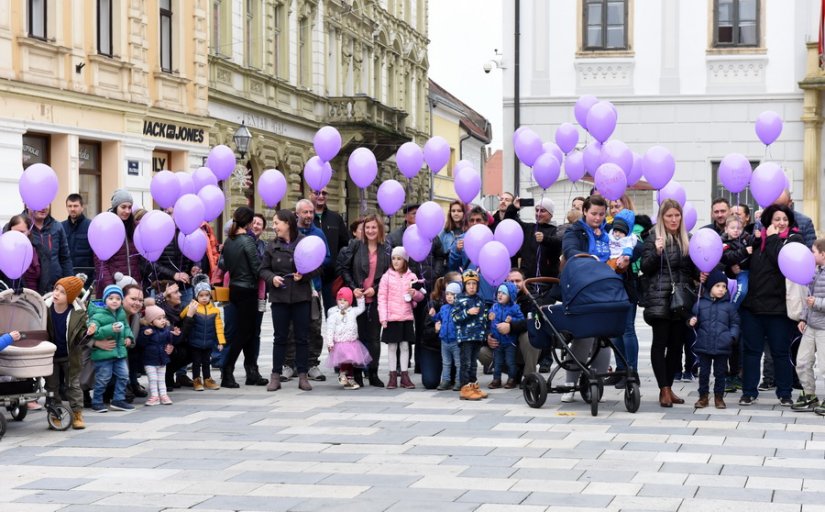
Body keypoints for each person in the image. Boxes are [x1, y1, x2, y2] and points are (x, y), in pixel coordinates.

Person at [739, 204, 802, 406]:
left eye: (784, 219)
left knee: (780, 353)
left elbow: (780, 262)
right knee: (751, 352)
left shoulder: (793, 241)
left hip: (778, 309)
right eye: (777, 219)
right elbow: (744, 264)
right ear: (768, 221)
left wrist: (773, 237)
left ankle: (784, 393)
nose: (781, 223)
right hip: (753, 308)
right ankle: (749, 392)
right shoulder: (758, 241)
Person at [640, 199, 700, 408]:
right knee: (660, 343)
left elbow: (691, 270)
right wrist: (656, 253)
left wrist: (702, 273)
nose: (674, 219)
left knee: (676, 346)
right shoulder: (652, 238)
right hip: (660, 298)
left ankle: (669, 388)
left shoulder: (687, 239)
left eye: (677, 215)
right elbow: (645, 268)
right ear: (661, 218)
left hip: (681, 300)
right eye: (669, 216)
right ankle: (663, 389)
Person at [560, 195, 620, 401]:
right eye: (594, 213)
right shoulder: (575, 231)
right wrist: (587, 258)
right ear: (585, 211)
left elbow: (624, 246)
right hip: (582, 287)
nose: (597, 218)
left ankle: (596, 381)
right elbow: (570, 250)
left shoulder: (609, 232)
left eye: (602, 214)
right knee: (583, 336)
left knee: (604, 336)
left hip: (605, 287)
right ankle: (571, 382)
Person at [260, 209, 321, 391]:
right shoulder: (272, 245)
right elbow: (263, 270)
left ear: (287, 223)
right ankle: (275, 375)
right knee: (280, 338)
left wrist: (303, 276)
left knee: (302, 337)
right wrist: (272, 279)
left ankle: (302, 375)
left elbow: (318, 268)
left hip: (301, 297)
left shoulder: (305, 243)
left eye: (277, 222)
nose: (274, 226)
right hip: (280, 298)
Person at [337, 214, 392, 387]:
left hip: (377, 298)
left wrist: (374, 289)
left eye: (374, 227)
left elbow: (388, 274)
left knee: (375, 338)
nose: (370, 231)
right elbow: (344, 268)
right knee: (357, 337)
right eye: (367, 227)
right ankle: (358, 373)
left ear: (380, 229)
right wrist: (353, 288)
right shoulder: (355, 245)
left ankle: (373, 372)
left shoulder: (387, 247)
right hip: (357, 298)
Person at [285, 199, 331, 382]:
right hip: (292, 288)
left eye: (311, 212)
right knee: (290, 327)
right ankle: (289, 364)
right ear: (297, 214)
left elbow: (327, 258)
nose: (309, 216)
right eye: (305, 212)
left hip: (313, 289)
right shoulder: (291, 233)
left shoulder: (318, 233)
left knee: (314, 326)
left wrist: (313, 263)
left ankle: (312, 363)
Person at [218, 207, 261, 389]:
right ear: (250, 222)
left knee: (245, 332)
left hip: (234, 288)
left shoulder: (229, 241)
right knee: (244, 333)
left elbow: (225, 265)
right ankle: (227, 370)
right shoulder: (247, 241)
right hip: (247, 290)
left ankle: (251, 373)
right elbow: (256, 267)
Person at [44, 276, 92, 429]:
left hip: (70, 356)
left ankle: (77, 413)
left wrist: (88, 334)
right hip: (51, 356)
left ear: (70, 297)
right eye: (56, 289)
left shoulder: (78, 313)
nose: (56, 294)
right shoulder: (45, 308)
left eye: (62, 292)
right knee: (52, 386)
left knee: (73, 385)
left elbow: (80, 339)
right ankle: (55, 412)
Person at [689, 269, 739, 409]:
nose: (721, 289)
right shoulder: (700, 303)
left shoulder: (729, 306)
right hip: (704, 345)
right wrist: (691, 321)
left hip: (722, 345)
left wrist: (732, 336)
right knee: (704, 373)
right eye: (718, 286)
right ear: (710, 287)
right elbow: (694, 318)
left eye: (724, 286)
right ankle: (703, 397)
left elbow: (735, 323)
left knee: (720, 373)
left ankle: (719, 397)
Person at [377, 246, 424, 389]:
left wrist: (414, 294)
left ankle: (404, 375)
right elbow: (382, 298)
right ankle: (392, 375)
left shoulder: (412, 276)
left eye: (399, 259)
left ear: (405, 260)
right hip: (391, 318)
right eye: (393, 258)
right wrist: (383, 317)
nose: (396, 261)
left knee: (404, 346)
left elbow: (420, 297)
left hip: (406, 317)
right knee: (392, 347)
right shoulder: (386, 277)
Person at [88, 284, 135, 412]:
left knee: (124, 375)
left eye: (118, 299)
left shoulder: (121, 313)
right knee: (103, 378)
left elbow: (126, 327)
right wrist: (110, 329)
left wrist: (129, 337)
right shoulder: (98, 315)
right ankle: (97, 401)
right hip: (104, 354)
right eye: (111, 298)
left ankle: (118, 400)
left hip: (119, 353)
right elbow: (94, 332)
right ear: (105, 300)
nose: (114, 301)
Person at [794, 238, 825, 413]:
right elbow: (808, 298)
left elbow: (814, 301)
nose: (810, 255)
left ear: (823, 254)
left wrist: (818, 303)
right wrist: (804, 318)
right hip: (812, 325)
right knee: (803, 362)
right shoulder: (815, 271)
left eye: (813, 251)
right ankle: (809, 395)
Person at [310, 187, 350, 312]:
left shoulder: (336, 218)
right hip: (310, 276)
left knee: (333, 313)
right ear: (310, 194)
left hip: (331, 276)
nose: (321, 196)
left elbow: (345, 244)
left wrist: (339, 267)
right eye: (317, 193)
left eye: (324, 193)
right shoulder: (305, 218)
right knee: (312, 315)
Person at [324, 287, 372, 390]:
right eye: (340, 300)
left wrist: (360, 298)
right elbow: (330, 329)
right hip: (340, 342)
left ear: (350, 301)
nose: (342, 302)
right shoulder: (333, 314)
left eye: (345, 300)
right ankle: (342, 373)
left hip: (352, 341)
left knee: (351, 361)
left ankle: (350, 379)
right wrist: (329, 343)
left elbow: (361, 308)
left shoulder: (352, 311)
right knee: (346, 360)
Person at [94, 189, 141, 292]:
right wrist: (111, 288)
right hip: (113, 287)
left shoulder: (136, 227)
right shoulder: (105, 227)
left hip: (134, 286)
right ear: (115, 207)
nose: (127, 211)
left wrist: (139, 285)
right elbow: (101, 264)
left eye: (129, 207)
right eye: (123, 207)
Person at [452, 270, 489, 401]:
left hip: (477, 336)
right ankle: (465, 388)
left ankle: (473, 385)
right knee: (466, 363)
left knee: (473, 363)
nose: (472, 286)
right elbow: (455, 317)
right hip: (465, 337)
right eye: (469, 284)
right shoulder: (460, 299)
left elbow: (483, 318)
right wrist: (467, 312)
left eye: (474, 284)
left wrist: (485, 329)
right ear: (464, 285)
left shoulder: (480, 299)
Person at [182, 281, 224, 391]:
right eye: (201, 295)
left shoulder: (215, 310)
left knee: (207, 362)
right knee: (196, 362)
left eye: (207, 295)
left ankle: (207, 379)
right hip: (195, 342)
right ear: (196, 296)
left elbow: (219, 327)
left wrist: (220, 341)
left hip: (209, 342)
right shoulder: (193, 307)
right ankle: (196, 379)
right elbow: (182, 316)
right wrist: (189, 309)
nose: (204, 298)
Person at [487, 281, 524, 389]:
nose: (500, 295)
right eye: (499, 292)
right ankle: (496, 379)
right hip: (497, 341)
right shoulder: (494, 307)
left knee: (510, 361)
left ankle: (512, 378)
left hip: (509, 341)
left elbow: (521, 319)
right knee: (497, 362)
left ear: (510, 296)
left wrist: (512, 320)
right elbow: (489, 319)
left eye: (503, 293)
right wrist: (489, 317)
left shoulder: (514, 307)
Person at [26, 204, 73, 291]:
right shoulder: (19, 226)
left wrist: (69, 284)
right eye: (40, 202)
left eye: (47, 203)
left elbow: (65, 258)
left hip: (54, 288)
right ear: (28, 204)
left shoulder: (57, 226)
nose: (44, 207)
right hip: (28, 289)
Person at [138, 305, 175, 406]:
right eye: (159, 319)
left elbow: (170, 341)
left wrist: (174, 335)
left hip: (162, 359)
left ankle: (163, 395)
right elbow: (141, 343)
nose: (163, 320)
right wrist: (145, 335)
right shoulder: (147, 330)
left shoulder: (166, 330)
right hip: (149, 360)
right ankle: (154, 396)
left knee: (162, 378)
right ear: (151, 321)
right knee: (153, 379)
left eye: (163, 318)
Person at [518, 198, 562, 280]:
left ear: (550, 214)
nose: (538, 214)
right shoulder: (529, 228)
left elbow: (559, 242)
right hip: (526, 279)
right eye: (537, 210)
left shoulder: (555, 230)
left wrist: (544, 239)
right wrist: (514, 208)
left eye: (542, 211)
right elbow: (512, 221)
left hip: (547, 281)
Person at [2, 215, 47, 293]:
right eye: (14, 232)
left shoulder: (39, 250)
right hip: (14, 300)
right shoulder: (4, 252)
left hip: (37, 298)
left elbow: (46, 277)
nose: (18, 235)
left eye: (22, 232)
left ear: (29, 231)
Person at [433, 282, 461, 391]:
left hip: (456, 341)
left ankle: (459, 381)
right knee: (446, 362)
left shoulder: (459, 308)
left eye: (452, 294)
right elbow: (438, 318)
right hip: (444, 340)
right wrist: (433, 316)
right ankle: (445, 380)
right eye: (448, 294)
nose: (449, 297)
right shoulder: (444, 308)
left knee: (458, 363)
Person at [721, 215, 753, 306]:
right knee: (741, 292)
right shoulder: (723, 243)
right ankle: (732, 309)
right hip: (736, 273)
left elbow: (755, 243)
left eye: (739, 228)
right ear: (726, 229)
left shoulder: (746, 238)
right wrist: (744, 251)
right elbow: (728, 257)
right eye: (732, 228)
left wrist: (757, 237)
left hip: (749, 271)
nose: (736, 230)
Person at [62, 193, 94, 279]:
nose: (72, 209)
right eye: (70, 206)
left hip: (87, 279)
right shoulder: (60, 227)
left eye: (75, 206)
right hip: (66, 278)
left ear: (82, 207)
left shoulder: (91, 226)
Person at [438, 200, 466, 272]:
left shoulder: (468, 232)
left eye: (459, 211)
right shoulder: (445, 232)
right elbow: (439, 253)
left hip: (465, 271)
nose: (456, 213)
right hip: (448, 271)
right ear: (450, 213)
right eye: (453, 211)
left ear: (464, 213)